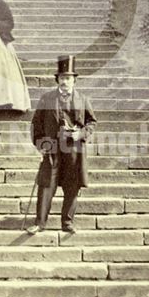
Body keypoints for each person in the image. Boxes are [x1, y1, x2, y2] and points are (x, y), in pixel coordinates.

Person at [27, 55, 96, 235]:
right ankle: (40, 223)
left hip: (74, 150)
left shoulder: (83, 100)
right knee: (46, 186)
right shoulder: (46, 99)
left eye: (68, 78)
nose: (65, 81)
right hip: (52, 149)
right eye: (62, 78)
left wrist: (79, 134)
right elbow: (36, 124)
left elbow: (91, 123)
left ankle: (67, 222)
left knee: (72, 186)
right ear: (57, 79)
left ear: (74, 80)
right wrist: (41, 144)